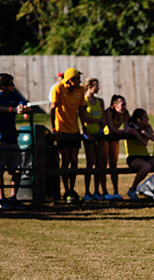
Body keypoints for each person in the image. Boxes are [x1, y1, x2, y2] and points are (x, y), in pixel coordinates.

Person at [0, 73, 31, 209]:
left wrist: (22, 107)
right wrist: (12, 110)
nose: (14, 86)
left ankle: (13, 198)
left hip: (12, 137)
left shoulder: (13, 94)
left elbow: (22, 101)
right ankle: (2, 199)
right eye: (11, 84)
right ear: (3, 86)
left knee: (17, 169)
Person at [50, 67, 87, 203]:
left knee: (75, 160)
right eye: (78, 78)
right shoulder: (58, 89)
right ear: (71, 80)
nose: (80, 81)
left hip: (75, 130)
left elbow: (81, 110)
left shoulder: (80, 90)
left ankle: (72, 189)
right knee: (66, 159)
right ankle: (66, 190)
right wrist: (54, 128)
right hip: (62, 130)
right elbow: (53, 108)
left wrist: (85, 128)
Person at [125, 108, 154, 201]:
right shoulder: (131, 127)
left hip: (145, 156)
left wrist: (142, 131)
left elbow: (153, 138)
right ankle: (132, 189)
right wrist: (142, 133)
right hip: (133, 157)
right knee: (146, 167)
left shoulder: (146, 127)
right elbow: (144, 142)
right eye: (145, 118)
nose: (148, 119)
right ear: (139, 120)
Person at [82, 77, 107, 201]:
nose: (98, 88)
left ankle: (97, 190)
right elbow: (84, 118)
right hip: (89, 136)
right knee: (90, 163)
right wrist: (97, 121)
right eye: (96, 86)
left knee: (99, 163)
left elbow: (103, 119)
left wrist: (101, 126)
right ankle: (87, 191)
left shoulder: (100, 101)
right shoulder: (83, 101)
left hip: (99, 135)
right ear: (89, 87)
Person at [102, 95, 131, 200]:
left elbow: (126, 127)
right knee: (103, 165)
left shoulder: (125, 113)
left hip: (115, 138)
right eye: (122, 105)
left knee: (113, 165)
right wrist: (124, 132)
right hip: (105, 137)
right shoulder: (109, 112)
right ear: (114, 105)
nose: (124, 107)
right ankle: (104, 191)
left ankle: (116, 191)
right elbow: (112, 129)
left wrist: (126, 131)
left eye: (125, 104)